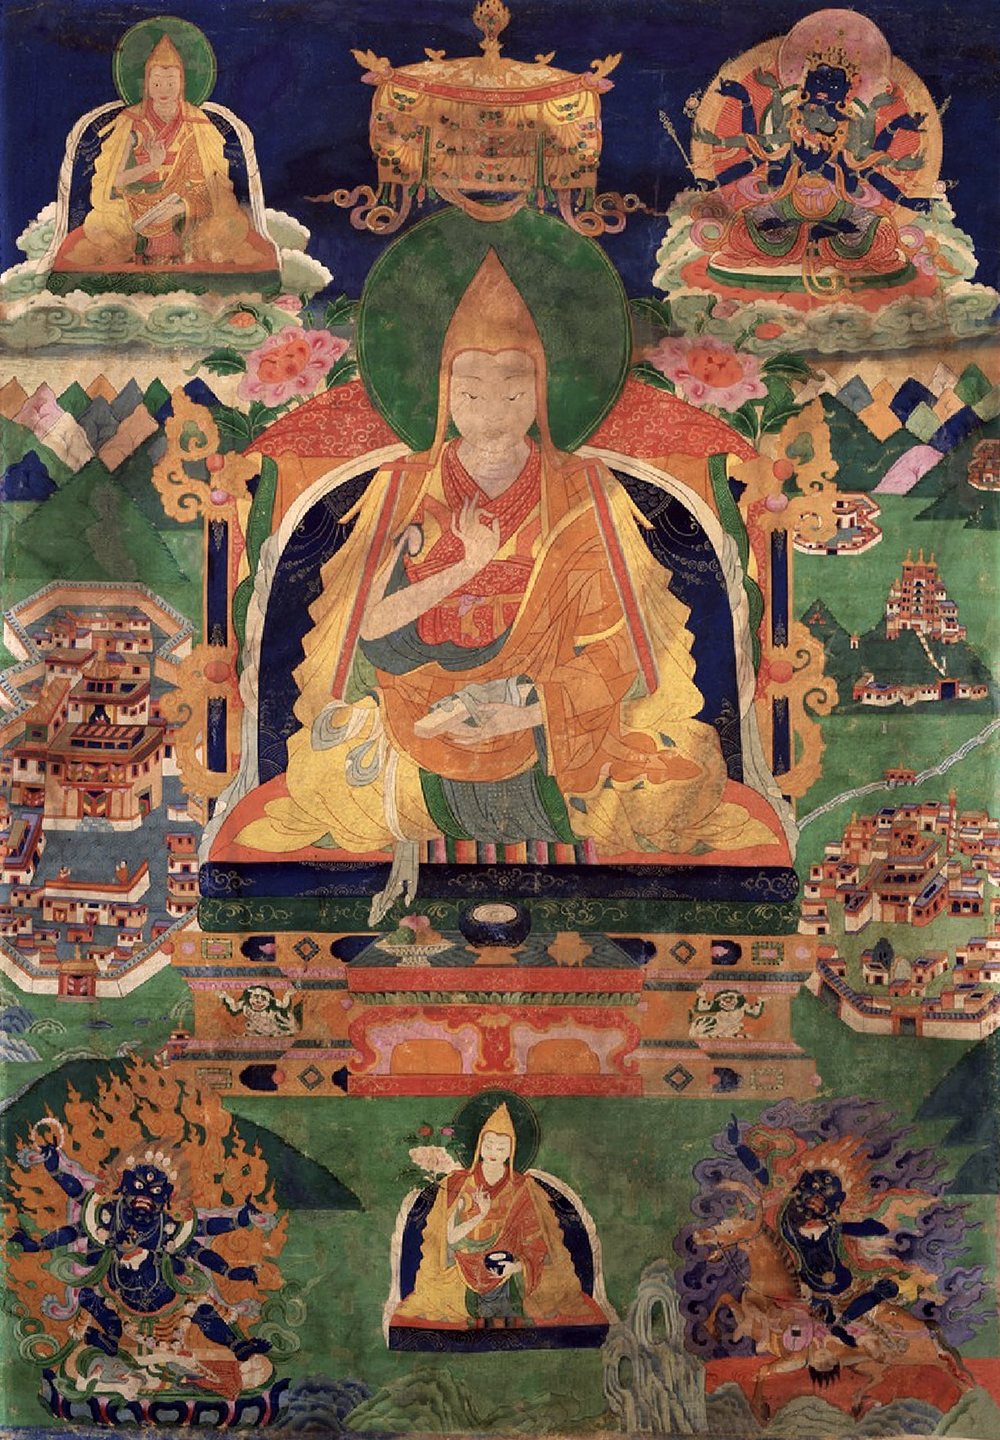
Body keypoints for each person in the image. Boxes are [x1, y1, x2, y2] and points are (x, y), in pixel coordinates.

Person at [236, 250, 784, 917]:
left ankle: (452, 816)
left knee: (681, 781)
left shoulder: (586, 496)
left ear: (542, 393)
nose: (492, 411)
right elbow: (372, 636)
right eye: (470, 394)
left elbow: (616, 655)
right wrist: (465, 566)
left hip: (555, 728)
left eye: (514, 392)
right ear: (444, 396)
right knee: (319, 776)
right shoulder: (400, 489)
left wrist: (530, 710)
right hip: (417, 723)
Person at [392, 1103, 605, 1328]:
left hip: (508, 1265)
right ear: (479, 1145)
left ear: (511, 1151)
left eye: (502, 1147)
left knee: (546, 1290)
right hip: (466, 1263)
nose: (494, 1152)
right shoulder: (461, 1184)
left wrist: (516, 1267)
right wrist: (480, 1215)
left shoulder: (522, 1189)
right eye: (489, 1145)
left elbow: (535, 1244)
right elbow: (451, 1238)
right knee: (442, 1295)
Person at [60, 34, 260, 271]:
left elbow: (211, 186)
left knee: (228, 225)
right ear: (146, 84)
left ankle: (187, 253)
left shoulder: (197, 124)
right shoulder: (130, 122)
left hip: (183, 206)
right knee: (100, 224)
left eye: (171, 83)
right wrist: (151, 165)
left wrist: (180, 207)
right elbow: (116, 181)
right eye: (157, 83)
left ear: (182, 83)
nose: (164, 89)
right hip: (135, 206)